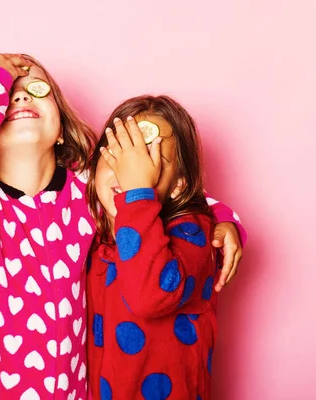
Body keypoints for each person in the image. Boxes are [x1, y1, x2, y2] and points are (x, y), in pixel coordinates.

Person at [0, 54, 246, 399]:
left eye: (35, 88)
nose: (19, 96)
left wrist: (223, 219)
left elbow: (152, 190)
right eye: (7, 94)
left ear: (61, 129)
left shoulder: (83, 193)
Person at [87, 95, 223, 399]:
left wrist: (137, 191)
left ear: (178, 186)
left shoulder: (193, 232)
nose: (128, 169)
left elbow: (148, 296)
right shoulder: (95, 236)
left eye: (148, 157)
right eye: (117, 152)